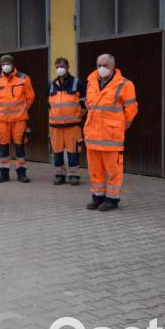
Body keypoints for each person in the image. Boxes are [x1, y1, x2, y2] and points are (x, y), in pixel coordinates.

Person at [83, 53, 138, 211]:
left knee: (113, 171)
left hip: (111, 138)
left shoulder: (125, 84)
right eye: (99, 65)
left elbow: (131, 110)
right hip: (92, 137)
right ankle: (97, 197)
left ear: (113, 66)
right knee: (95, 170)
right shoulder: (91, 83)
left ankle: (112, 200)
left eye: (105, 65)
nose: (102, 68)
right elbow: (89, 107)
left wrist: (119, 127)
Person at [0, 54, 35, 183]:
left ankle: (22, 174)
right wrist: (0, 112)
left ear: (12, 64)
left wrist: (23, 110)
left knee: (20, 146)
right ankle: (4, 174)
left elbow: (30, 97)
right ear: (0, 66)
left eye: (8, 63)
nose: (6, 66)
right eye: (3, 64)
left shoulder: (24, 78)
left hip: (19, 120)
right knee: (3, 147)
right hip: (2, 121)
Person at [48, 57, 87, 185]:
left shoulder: (77, 83)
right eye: (57, 67)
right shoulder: (51, 84)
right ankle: (59, 175)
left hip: (73, 126)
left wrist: (78, 114)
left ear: (68, 67)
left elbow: (85, 103)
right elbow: (49, 104)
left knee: (73, 152)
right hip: (55, 126)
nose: (60, 69)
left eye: (62, 66)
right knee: (57, 152)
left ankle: (74, 176)